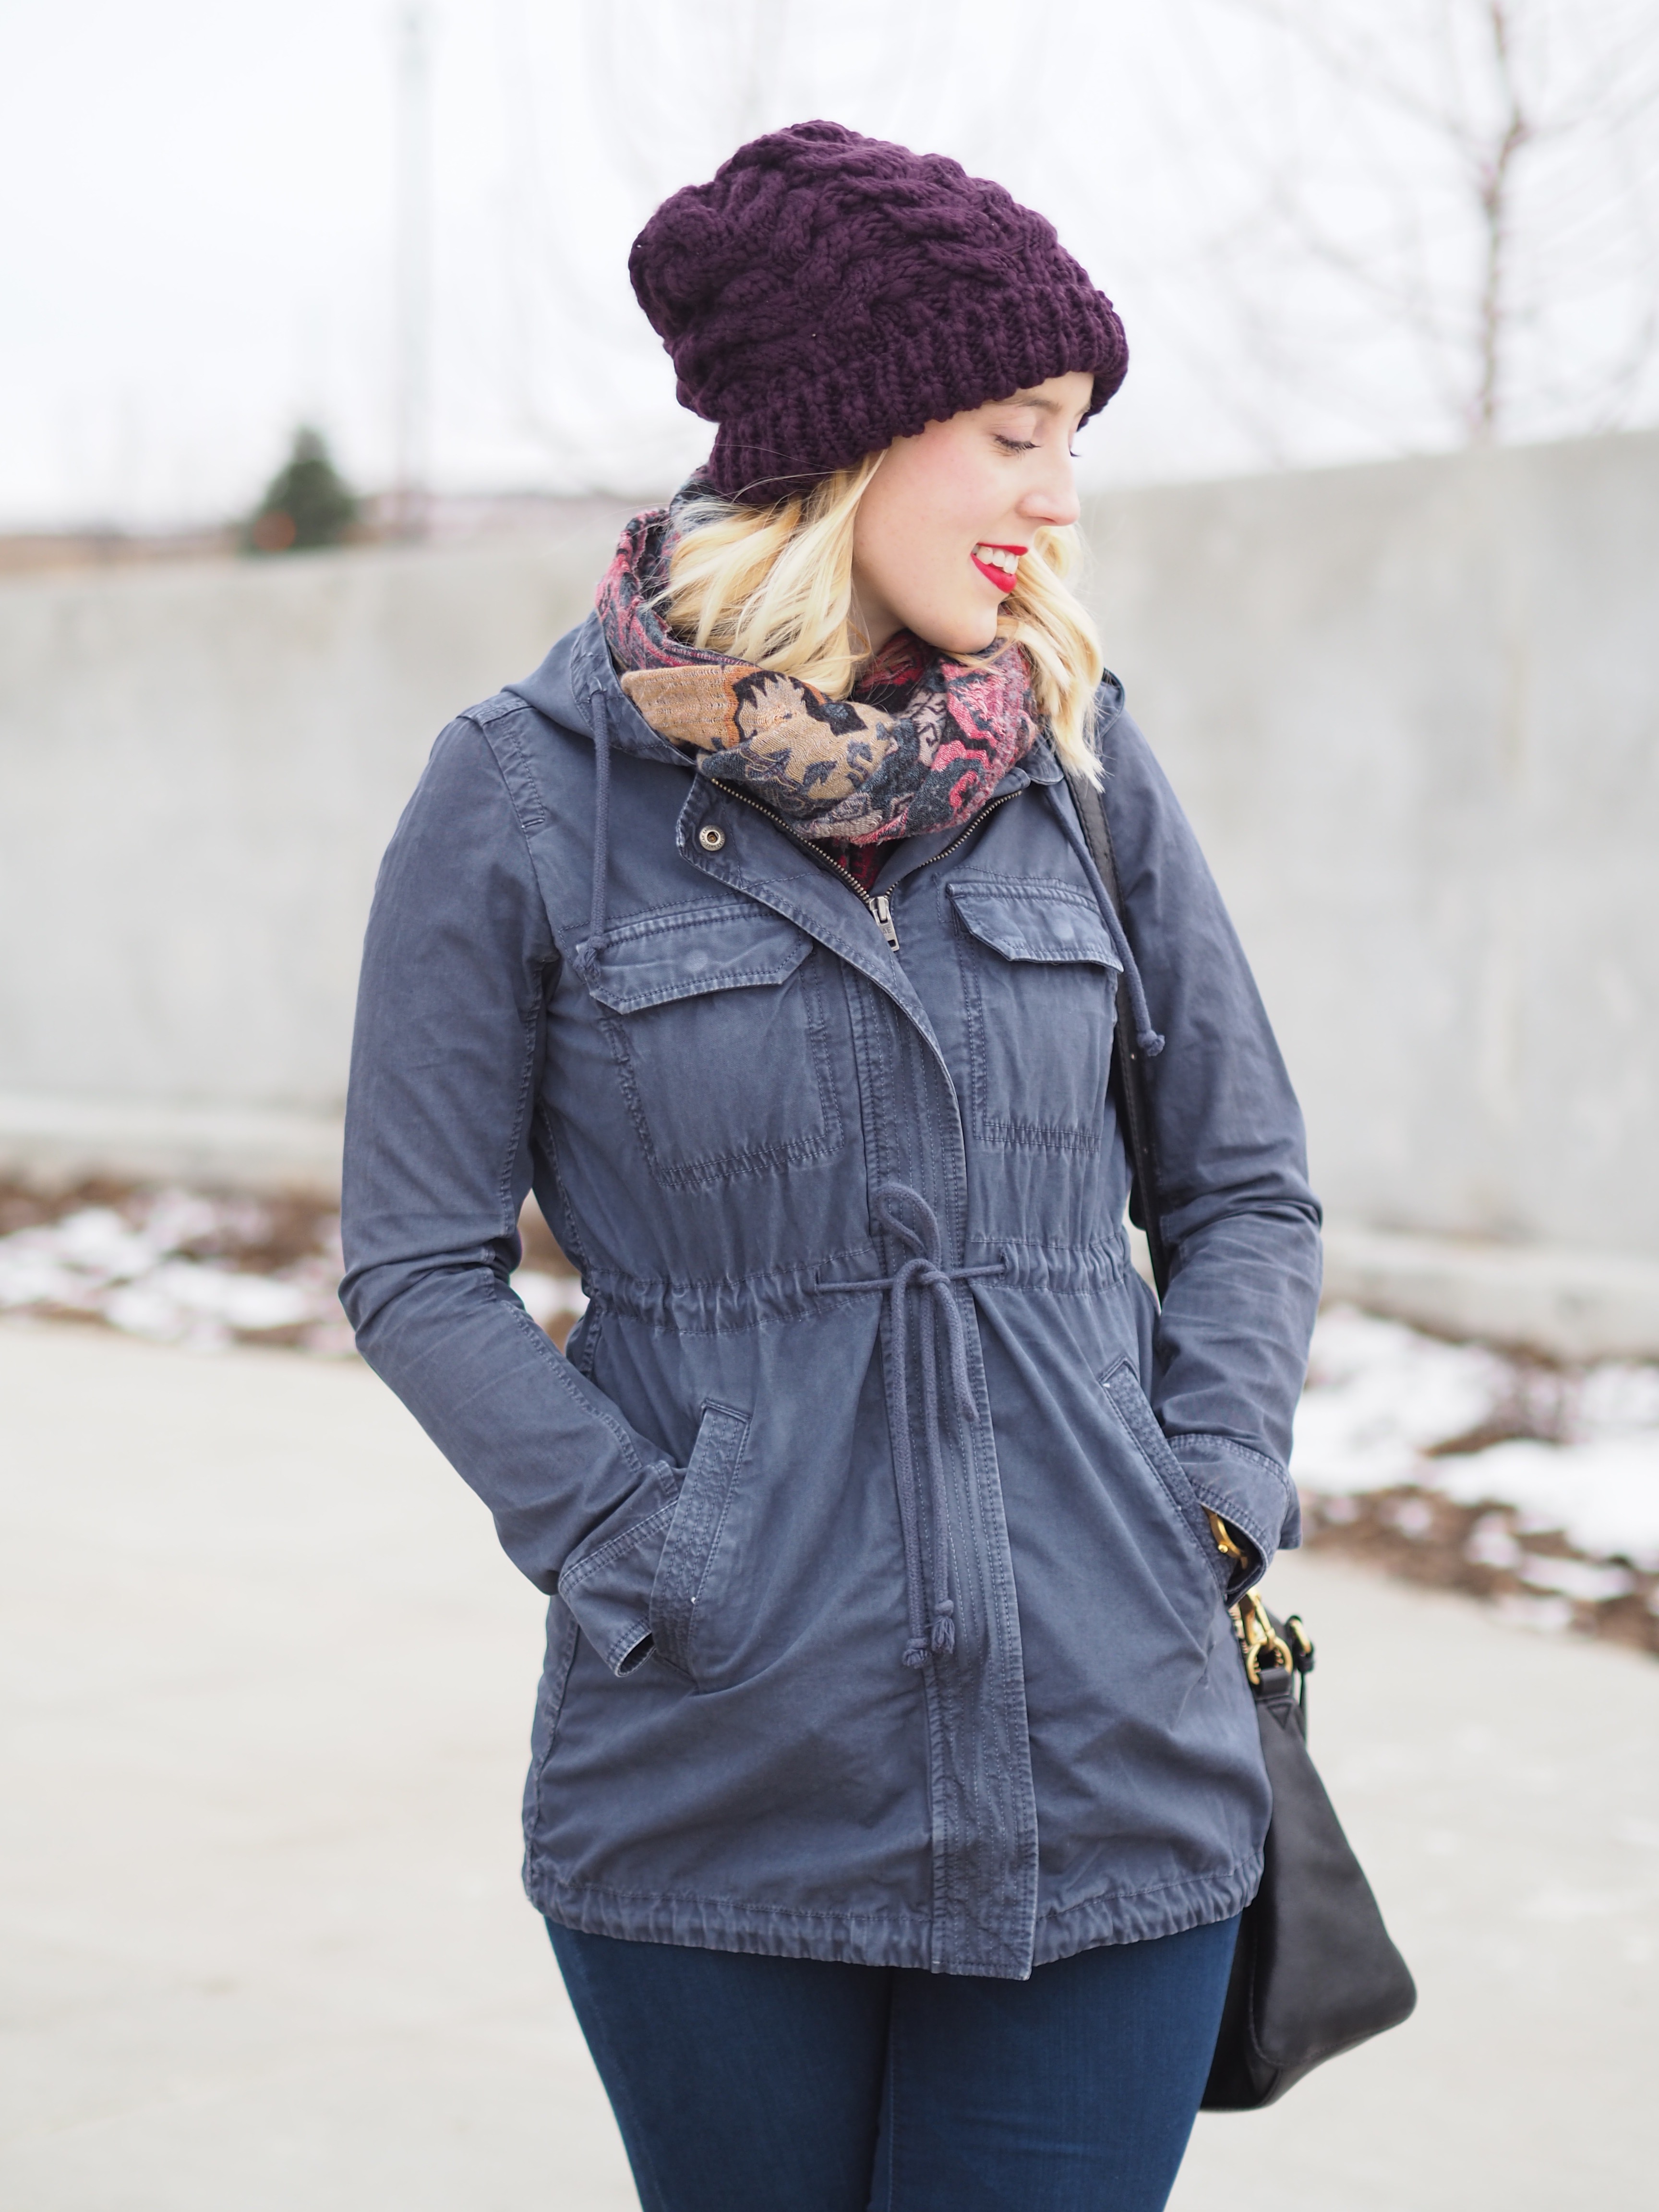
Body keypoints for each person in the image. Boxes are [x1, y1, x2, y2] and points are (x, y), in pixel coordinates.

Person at [341, 120, 1321, 2212]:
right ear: (849, 439)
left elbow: (1243, 1186)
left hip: (1112, 1754)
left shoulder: (1077, 758)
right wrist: (646, 1554)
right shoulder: (523, 794)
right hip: (717, 1777)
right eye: (1012, 429)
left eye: (1072, 436)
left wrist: (1209, 1504)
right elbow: (415, 1265)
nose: (1060, 495)